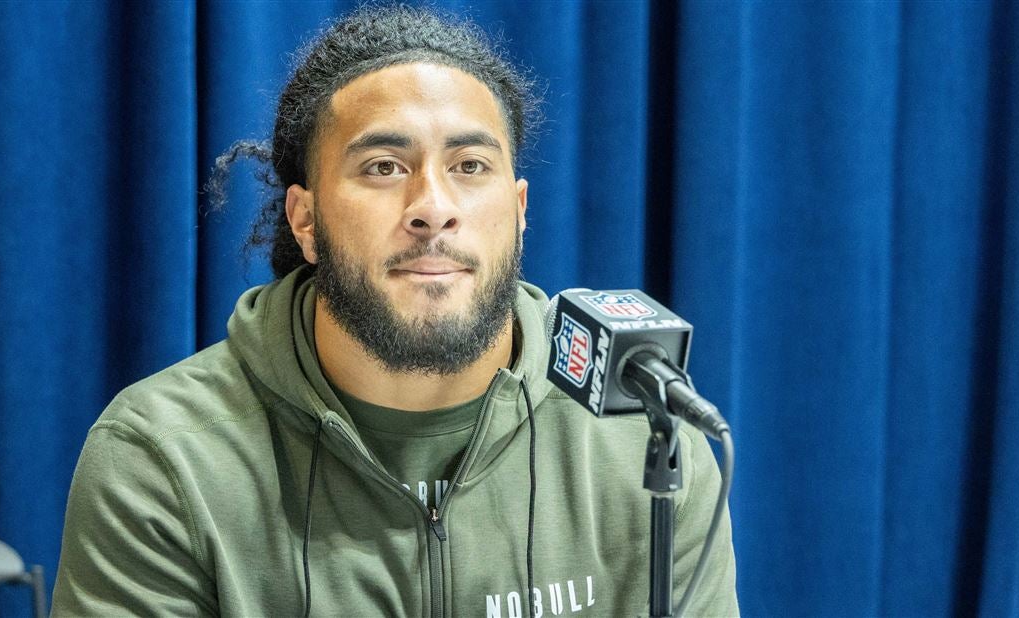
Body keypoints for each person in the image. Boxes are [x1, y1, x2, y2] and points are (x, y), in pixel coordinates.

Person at [52, 5, 737, 617]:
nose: (433, 206)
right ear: (306, 220)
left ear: (520, 212)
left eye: (470, 165)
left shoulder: (642, 436)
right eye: (383, 166)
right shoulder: (163, 458)